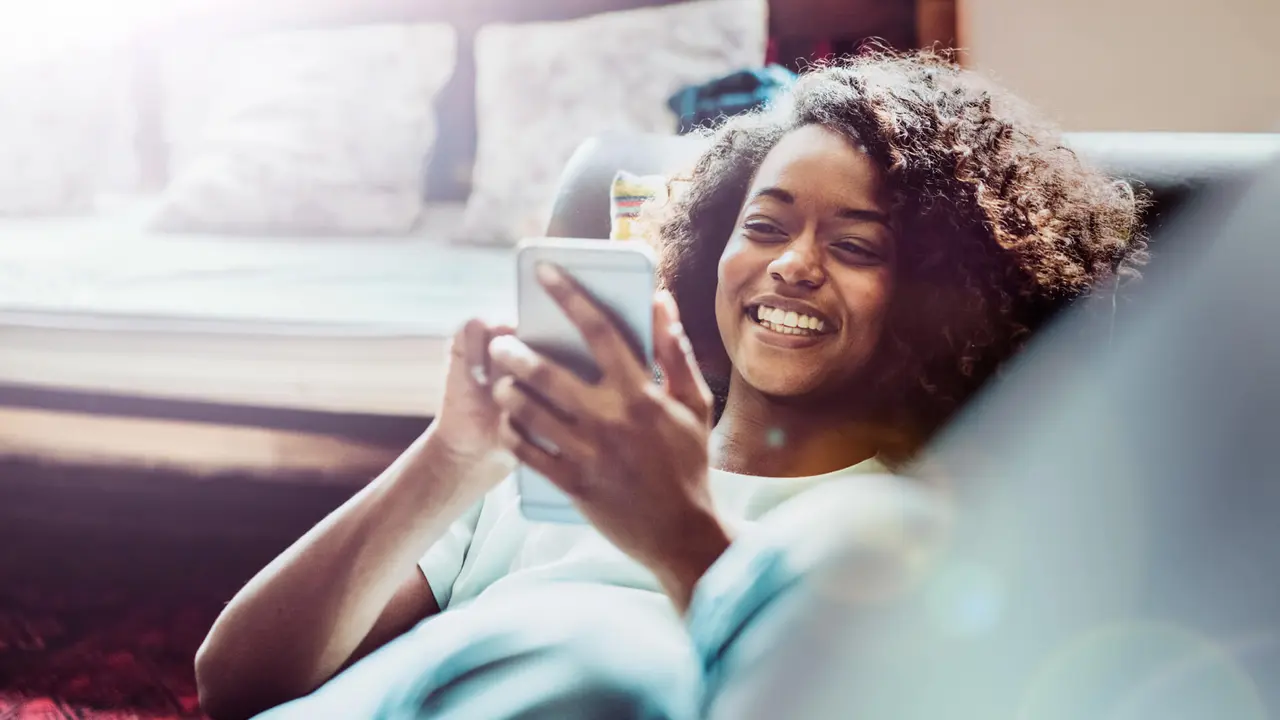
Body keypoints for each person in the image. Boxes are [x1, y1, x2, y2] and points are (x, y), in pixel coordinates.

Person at [193, 52, 1147, 720]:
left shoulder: (913, 523)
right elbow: (238, 684)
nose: (792, 265)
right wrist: (450, 460)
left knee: (609, 669)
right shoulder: (568, 450)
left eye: (856, 247)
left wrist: (679, 531)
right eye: (764, 227)